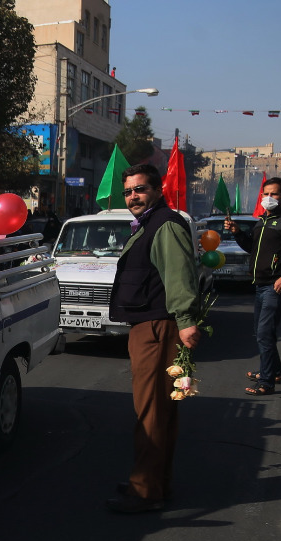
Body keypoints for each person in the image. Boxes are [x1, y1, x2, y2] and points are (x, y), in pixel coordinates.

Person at [106, 164, 201, 514]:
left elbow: (179, 276)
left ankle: (146, 491)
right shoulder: (152, 223)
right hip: (152, 325)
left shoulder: (165, 224)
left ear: (158, 190)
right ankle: (154, 482)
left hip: (159, 327)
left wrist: (187, 322)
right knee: (160, 410)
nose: (133, 196)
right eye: (128, 191)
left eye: (140, 189)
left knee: (150, 411)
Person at [228, 177, 281, 395]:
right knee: (262, 332)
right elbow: (251, 247)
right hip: (260, 285)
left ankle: (266, 382)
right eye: (265, 194)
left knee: (264, 333)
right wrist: (237, 232)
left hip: (277, 286)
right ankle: (273, 371)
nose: (268, 198)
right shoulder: (261, 221)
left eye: (273, 194)